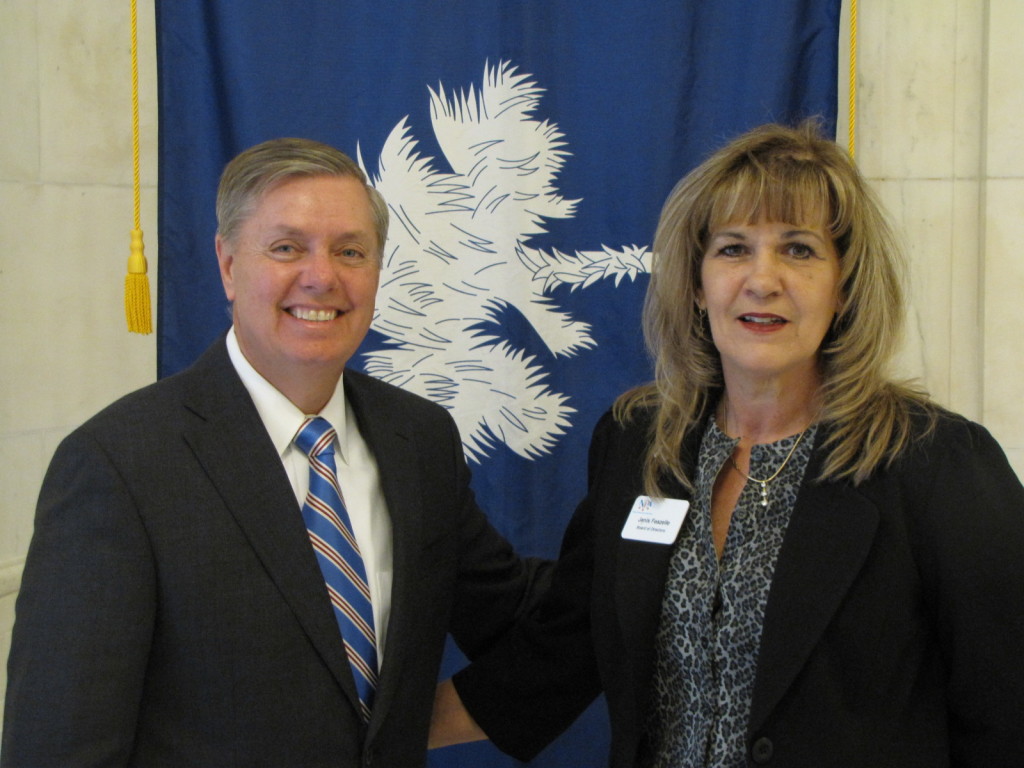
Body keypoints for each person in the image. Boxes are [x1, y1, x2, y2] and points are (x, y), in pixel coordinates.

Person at [430, 121, 1024, 767]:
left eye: (798, 250)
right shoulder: (638, 445)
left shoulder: (937, 462)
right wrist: (368, 730)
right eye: (733, 249)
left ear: (845, 285)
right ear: (694, 280)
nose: (762, 280)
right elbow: (567, 646)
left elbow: (1006, 707)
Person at [1, 138, 546, 768]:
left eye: (350, 251)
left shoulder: (419, 441)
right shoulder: (118, 465)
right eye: (286, 247)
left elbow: (511, 615)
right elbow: (62, 747)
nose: (322, 276)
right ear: (228, 265)